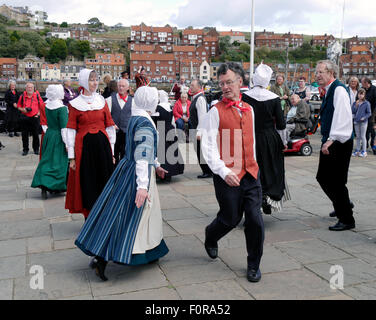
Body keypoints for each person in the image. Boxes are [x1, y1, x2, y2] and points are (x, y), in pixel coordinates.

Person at [75, 86, 169, 281]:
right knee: (130, 216)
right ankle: (107, 256)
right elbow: (142, 155)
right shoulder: (144, 123)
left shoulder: (136, 117)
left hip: (127, 168)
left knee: (118, 212)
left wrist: (157, 165)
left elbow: (143, 150)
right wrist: (142, 186)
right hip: (137, 174)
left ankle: (150, 251)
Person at [201, 62, 264, 283]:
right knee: (230, 218)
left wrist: (254, 165)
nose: (225, 87)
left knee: (255, 220)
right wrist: (223, 171)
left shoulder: (250, 109)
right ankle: (211, 235)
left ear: (240, 81)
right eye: (222, 83)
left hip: (251, 174)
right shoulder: (214, 112)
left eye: (229, 82)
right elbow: (207, 147)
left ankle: (254, 264)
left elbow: (252, 141)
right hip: (227, 175)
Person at [65, 69, 116, 220]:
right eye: (91, 80)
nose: (95, 83)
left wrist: (112, 152)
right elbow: (71, 131)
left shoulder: (102, 101)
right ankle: (90, 216)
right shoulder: (74, 104)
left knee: (104, 179)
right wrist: (72, 158)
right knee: (88, 181)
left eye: (96, 79)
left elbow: (109, 126)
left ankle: (105, 216)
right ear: (83, 82)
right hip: (84, 150)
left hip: (103, 148)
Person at [242, 63, 288, 215]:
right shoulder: (274, 98)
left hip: (250, 137)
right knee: (271, 169)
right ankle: (267, 196)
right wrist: (284, 142)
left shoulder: (245, 96)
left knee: (251, 170)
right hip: (269, 138)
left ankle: (254, 198)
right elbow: (281, 125)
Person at [315, 60, 355, 231]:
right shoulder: (331, 89)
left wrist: (331, 140)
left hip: (339, 141)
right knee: (324, 177)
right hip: (333, 140)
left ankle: (346, 219)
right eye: (316, 72)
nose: (317, 75)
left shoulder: (338, 89)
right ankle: (343, 204)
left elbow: (344, 117)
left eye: (320, 72)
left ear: (331, 73)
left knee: (335, 181)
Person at [31, 85, 69, 199]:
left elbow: (45, 123)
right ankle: (55, 186)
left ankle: (45, 185)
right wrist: (67, 144)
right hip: (58, 136)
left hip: (49, 135)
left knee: (47, 160)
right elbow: (63, 128)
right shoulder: (62, 108)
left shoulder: (46, 106)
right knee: (59, 162)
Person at [152, 90, 184, 182]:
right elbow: (172, 119)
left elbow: (154, 120)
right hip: (169, 128)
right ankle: (169, 173)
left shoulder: (158, 107)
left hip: (161, 129)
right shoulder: (169, 106)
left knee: (162, 152)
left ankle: (163, 174)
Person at [106, 79, 133, 165]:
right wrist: (112, 124)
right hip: (114, 133)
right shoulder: (110, 99)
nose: (121, 88)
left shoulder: (133, 101)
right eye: (119, 86)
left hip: (126, 133)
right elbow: (107, 116)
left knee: (125, 156)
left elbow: (133, 117)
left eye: (123, 86)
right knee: (113, 155)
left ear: (128, 88)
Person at [189, 79, 212, 179]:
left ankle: (207, 171)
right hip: (195, 129)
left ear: (199, 86)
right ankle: (206, 171)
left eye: (192, 85)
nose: (190, 87)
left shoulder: (200, 99)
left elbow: (202, 117)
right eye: (190, 85)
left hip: (199, 130)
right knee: (198, 151)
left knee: (201, 151)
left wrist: (199, 132)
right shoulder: (196, 98)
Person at [17, 82, 44, 156]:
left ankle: (36, 149)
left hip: (34, 117)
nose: (30, 89)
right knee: (24, 135)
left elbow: (42, 106)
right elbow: (18, 106)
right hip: (24, 117)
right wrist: (23, 110)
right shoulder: (22, 96)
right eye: (28, 87)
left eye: (31, 87)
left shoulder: (37, 96)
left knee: (35, 134)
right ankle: (25, 149)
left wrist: (38, 114)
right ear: (26, 88)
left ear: (33, 88)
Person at [352, 88, 372, 158]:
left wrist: (364, 117)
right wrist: (356, 106)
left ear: (364, 95)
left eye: (362, 94)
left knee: (363, 136)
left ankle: (364, 151)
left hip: (363, 122)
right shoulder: (355, 102)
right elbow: (353, 111)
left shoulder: (366, 103)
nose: (360, 96)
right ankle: (357, 150)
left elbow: (369, 113)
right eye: (359, 94)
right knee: (357, 137)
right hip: (356, 122)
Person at [360, 77, 376, 155]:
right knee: (365, 130)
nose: (361, 84)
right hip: (365, 114)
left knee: (373, 131)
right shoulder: (363, 90)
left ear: (366, 83)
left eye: (362, 83)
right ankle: (365, 145)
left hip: (373, 113)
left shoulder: (374, 89)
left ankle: (373, 145)